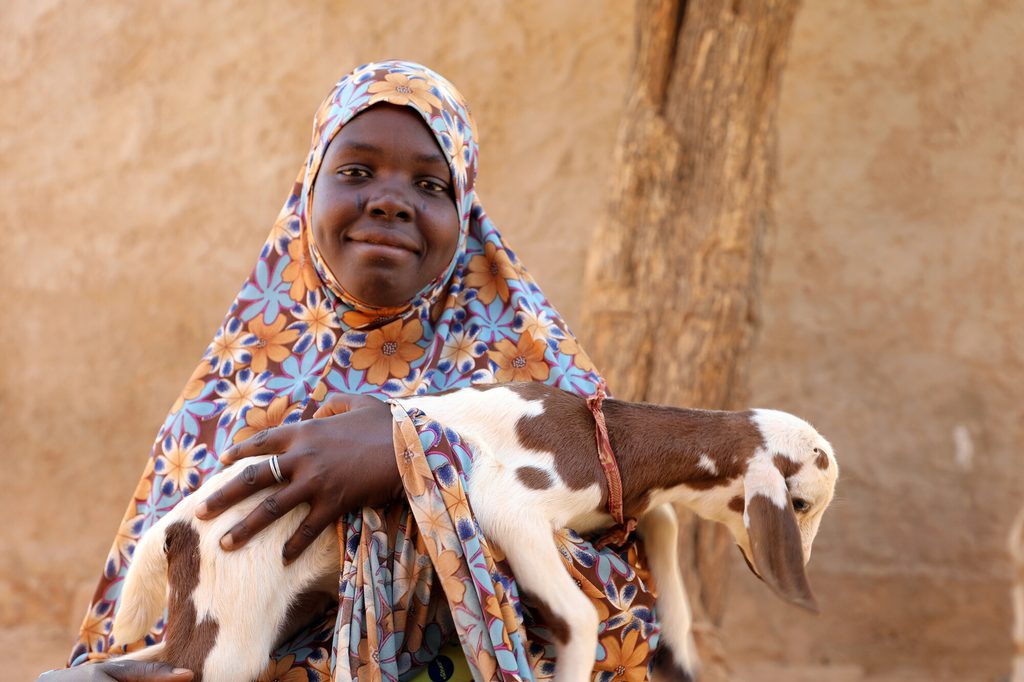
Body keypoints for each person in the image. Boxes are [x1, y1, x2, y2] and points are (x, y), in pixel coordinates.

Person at [42, 61, 659, 682]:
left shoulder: (538, 384)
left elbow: (627, 614)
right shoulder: (236, 390)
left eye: (432, 185)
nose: (391, 201)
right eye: (356, 171)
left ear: (466, 213)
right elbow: (159, 613)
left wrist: (413, 450)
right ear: (308, 194)